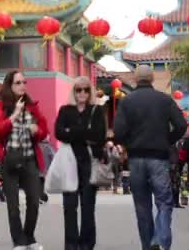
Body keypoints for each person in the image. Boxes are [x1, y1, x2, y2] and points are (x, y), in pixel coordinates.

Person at [114, 65, 187, 250]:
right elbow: (181, 125)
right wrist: (167, 140)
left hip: (136, 158)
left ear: (135, 79)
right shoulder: (164, 100)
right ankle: (160, 240)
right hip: (159, 158)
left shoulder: (127, 102)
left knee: (142, 206)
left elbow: (119, 132)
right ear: (152, 78)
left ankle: (148, 245)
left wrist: (129, 144)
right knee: (164, 202)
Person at [0, 70, 49, 250]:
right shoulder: (0, 105)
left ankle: (29, 237)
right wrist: (14, 115)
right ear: (10, 85)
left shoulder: (32, 106)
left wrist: (37, 131)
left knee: (34, 201)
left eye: (24, 82)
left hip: (29, 159)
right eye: (18, 82)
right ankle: (18, 241)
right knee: (13, 205)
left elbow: (44, 131)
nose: (23, 85)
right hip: (9, 160)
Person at [55, 76, 107, 250]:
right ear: (74, 91)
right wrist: (85, 133)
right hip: (69, 163)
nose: (82, 93)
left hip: (89, 163)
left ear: (90, 91)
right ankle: (71, 244)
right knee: (69, 207)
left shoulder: (96, 110)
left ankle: (86, 244)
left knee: (87, 206)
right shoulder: (65, 110)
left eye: (86, 89)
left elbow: (99, 136)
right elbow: (58, 133)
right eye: (79, 89)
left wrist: (73, 132)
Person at [38, 135, 55, 204]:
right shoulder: (48, 146)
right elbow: (53, 157)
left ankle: (40, 196)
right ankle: (41, 196)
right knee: (41, 182)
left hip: (36, 168)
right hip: (44, 169)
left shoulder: (37, 146)